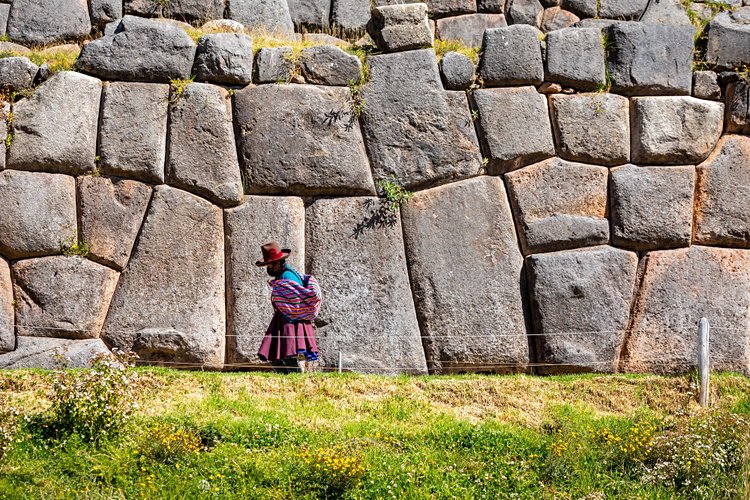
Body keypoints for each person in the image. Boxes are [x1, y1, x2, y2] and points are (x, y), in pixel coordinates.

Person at [255, 242, 319, 373]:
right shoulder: (281, 276)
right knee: (274, 354)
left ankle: (296, 382)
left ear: (278, 263)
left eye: (270, 265)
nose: (269, 268)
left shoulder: (288, 276)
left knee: (288, 355)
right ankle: (285, 380)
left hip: (291, 321)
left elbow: (296, 301)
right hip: (283, 319)